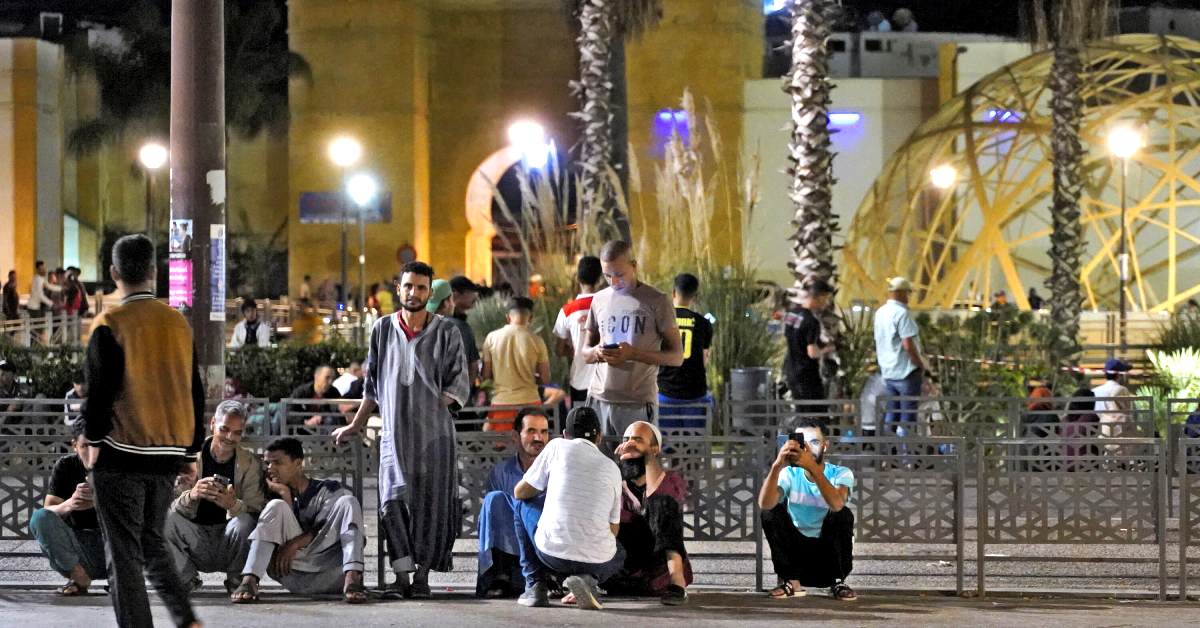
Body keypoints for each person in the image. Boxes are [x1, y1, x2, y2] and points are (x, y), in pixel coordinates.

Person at [80, 233, 204, 628]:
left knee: (124, 554)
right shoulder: (177, 324)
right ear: (154, 271)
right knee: (153, 543)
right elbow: (194, 390)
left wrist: (93, 440)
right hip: (167, 453)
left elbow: (99, 391)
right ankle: (187, 620)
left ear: (114, 273)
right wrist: (189, 449)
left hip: (121, 452)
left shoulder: (111, 323)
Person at [334, 261, 469, 598]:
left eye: (421, 287)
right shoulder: (382, 329)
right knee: (391, 503)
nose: (414, 293)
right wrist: (356, 423)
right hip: (394, 437)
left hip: (434, 437)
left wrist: (432, 405)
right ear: (399, 288)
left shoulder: (447, 331)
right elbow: (372, 385)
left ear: (430, 291)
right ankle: (402, 578)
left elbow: (459, 381)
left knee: (431, 506)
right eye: (409, 286)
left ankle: (422, 578)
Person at [512, 406, 624, 610]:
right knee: (618, 552)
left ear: (565, 435)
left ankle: (535, 586)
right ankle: (589, 579)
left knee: (520, 504)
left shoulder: (557, 446)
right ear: (599, 437)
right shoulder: (613, 468)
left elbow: (520, 492)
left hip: (553, 555)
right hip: (598, 561)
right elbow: (613, 530)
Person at [230, 437, 367, 604]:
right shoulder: (269, 495)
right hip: (291, 572)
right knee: (276, 505)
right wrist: (284, 495)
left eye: (277, 463)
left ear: (298, 463)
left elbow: (322, 527)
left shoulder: (327, 489)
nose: (270, 468)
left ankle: (353, 579)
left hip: (331, 573)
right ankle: (249, 581)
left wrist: (294, 544)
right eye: (267, 464)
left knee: (349, 502)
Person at [582, 240, 684, 436]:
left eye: (619, 274)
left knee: (635, 465)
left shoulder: (657, 300)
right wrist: (597, 352)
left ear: (634, 266)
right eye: (607, 275)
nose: (614, 282)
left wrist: (633, 353)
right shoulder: (599, 299)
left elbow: (676, 357)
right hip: (598, 399)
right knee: (599, 465)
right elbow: (585, 353)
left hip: (636, 402)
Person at [166, 400, 265, 593]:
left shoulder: (250, 463)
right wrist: (192, 495)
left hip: (229, 537)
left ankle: (238, 581)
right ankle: (185, 579)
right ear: (212, 424)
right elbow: (169, 505)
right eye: (224, 429)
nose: (229, 437)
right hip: (194, 534)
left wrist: (233, 505)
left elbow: (256, 509)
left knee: (244, 522)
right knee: (162, 519)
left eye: (237, 432)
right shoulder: (188, 457)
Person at [758, 418, 856, 601]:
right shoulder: (789, 474)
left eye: (815, 442)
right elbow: (765, 504)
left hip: (828, 557)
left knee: (842, 514)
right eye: (804, 442)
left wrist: (812, 467)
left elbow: (836, 504)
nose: (809, 448)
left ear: (826, 446)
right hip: (795, 557)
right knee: (770, 512)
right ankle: (791, 583)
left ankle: (838, 581)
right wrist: (777, 465)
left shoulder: (841, 473)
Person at [603, 421, 691, 605]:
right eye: (626, 439)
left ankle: (678, 583)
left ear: (654, 448)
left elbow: (662, 500)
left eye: (637, 440)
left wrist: (649, 459)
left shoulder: (672, 480)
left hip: (658, 573)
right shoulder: (614, 481)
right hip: (619, 573)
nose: (629, 444)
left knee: (663, 503)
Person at [477, 408, 552, 597]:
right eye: (531, 431)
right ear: (515, 436)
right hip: (510, 555)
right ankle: (499, 576)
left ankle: (546, 578)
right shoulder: (501, 472)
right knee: (494, 499)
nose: (538, 438)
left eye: (544, 432)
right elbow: (491, 519)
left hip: (546, 548)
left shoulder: (556, 470)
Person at [28, 420, 106, 596]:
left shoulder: (118, 467)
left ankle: (123, 581)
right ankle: (79, 577)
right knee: (39, 518)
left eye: (98, 446)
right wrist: (70, 504)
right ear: (75, 446)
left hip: (115, 546)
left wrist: (103, 501)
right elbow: (48, 513)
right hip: (77, 549)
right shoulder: (66, 466)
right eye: (85, 446)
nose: (92, 454)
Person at [481, 297, 563, 431]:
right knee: (530, 446)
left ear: (508, 317)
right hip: (530, 404)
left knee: (502, 447)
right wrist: (529, 377)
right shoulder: (537, 341)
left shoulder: (492, 338)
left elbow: (486, 374)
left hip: (502, 403)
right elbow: (545, 379)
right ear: (530, 317)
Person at [656, 273, 714, 431]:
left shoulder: (661, 320)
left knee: (667, 444)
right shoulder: (704, 323)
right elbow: (704, 359)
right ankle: (693, 455)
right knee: (694, 445)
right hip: (695, 394)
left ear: (673, 293)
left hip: (665, 393)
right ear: (694, 296)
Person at [873, 276, 927, 435]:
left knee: (891, 415)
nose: (909, 297)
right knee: (907, 418)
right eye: (909, 293)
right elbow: (908, 344)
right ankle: (907, 457)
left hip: (888, 372)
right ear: (902, 293)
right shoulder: (902, 313)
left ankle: (889, 454)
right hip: (906, 373)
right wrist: (920, 364)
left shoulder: (880, 312)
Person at [553, 256, 603, 404]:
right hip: (605, 381)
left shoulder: (568, 310)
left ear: (578, 279)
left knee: (579, 424)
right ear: (600, 279)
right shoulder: (608, 306)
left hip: (579, 381)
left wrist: (577, 350)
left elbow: (559, 350)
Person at [784, 279, 835, 403]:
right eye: (826, 298)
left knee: (801, 414)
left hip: (791, 370)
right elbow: (812, 353)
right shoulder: (811, 321)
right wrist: (827, 349)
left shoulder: (791, 314)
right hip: (807, 376)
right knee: (815, 416)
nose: (826, 303)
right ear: (819, 297)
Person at [448, 275, 482, 387]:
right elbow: (473, 365)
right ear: (455, 294)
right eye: (471, 297)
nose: (473, 303)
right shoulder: (462, 327)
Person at [1093, 358, 1133, 439]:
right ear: (1119, 375)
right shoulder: (1122, 390)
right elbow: (1128, 412)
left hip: (1097, 434)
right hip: (1117, 434)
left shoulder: (1094, 391)